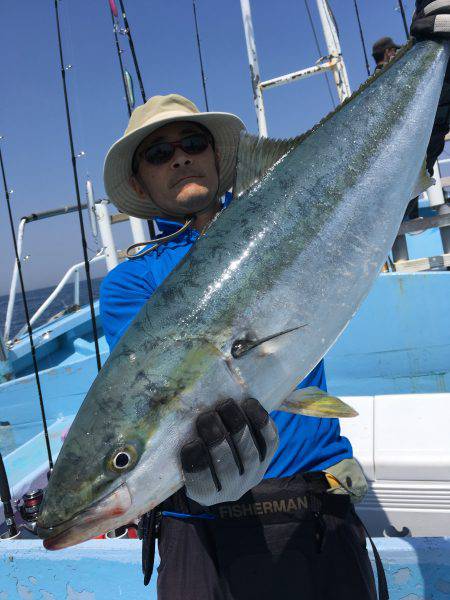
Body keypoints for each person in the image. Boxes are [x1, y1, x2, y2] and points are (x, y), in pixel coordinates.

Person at [99, 4, 450, 598]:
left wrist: (431, 89)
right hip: (198, 529)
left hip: (314, 509)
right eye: (158, 154)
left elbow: (376, 188)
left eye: (192, 142)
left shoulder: (291, 207)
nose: (180, 155)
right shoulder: (130, 284)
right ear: (139, 185)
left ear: (219, 157)